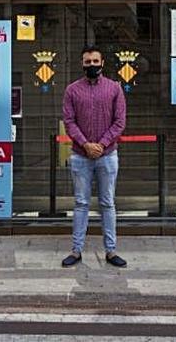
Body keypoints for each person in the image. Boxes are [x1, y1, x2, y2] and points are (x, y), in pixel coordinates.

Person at [61, 46, 127, 268]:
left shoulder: (115, 88)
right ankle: (76, 250)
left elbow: (120, 122)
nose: (92, 65)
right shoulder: (72, 90)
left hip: (107, 155)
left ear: (102, 62)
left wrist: (101, 144)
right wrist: (86, 144)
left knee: (108, 203)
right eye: (87, 62)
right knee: (80, 203)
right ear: (82, 64)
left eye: (95, 61)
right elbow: (69, 121)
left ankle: (111, 250)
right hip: (80, 155)